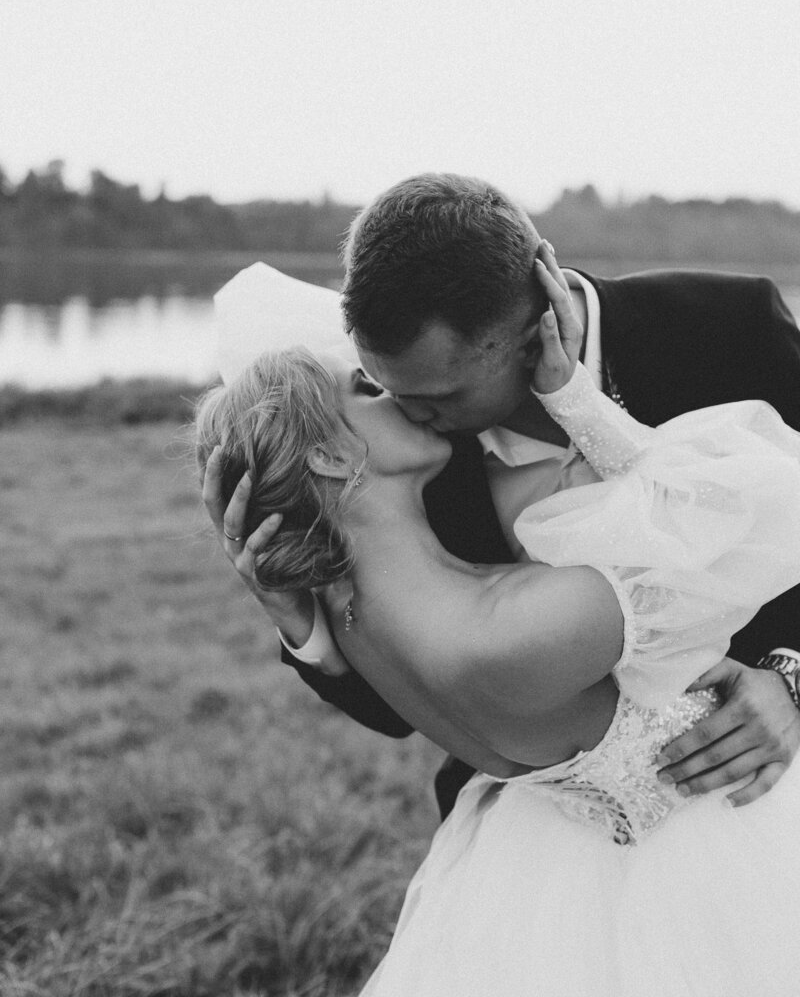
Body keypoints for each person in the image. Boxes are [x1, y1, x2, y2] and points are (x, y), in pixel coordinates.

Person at [196, 254, 800, 995]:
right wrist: (579, 403)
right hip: (708, 849)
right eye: (366, 386)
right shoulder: (513, 627)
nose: (401, 399)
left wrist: (305, 625)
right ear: (329, 451)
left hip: (555, 850)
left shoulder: (358, 618)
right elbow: (753, 515)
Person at [209, 174, 800, 821]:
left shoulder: (729, 329)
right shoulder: (394, 468)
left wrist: (791, 682)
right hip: (533, 837)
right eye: (376, 382)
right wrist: (303, 631)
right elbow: (411, 708)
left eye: (439, 397)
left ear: (536, 325)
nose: (407, 412)